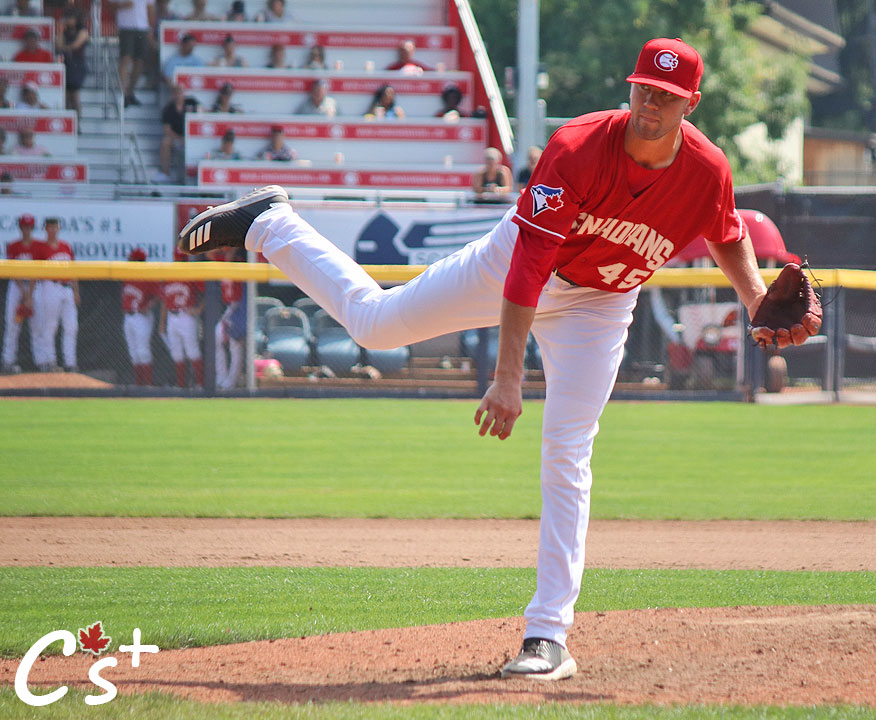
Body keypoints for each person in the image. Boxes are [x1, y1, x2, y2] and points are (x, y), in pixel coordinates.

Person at [179, 37, 820, 681]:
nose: (651, 104)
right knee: (376, 325)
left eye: (668, 96)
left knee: (568, 451)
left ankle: (548, 636)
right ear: (631, 88)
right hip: (514, 263)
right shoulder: (578, 148)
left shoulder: (707, 168)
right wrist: (507, 377)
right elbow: (528, 270)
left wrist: (755, 301)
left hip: (602, 304)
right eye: (644, 90)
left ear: (691, 104)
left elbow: (724, 231)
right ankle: (271, 223)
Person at [34, 217, 79, 373]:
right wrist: (31, 294)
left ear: (58, 228)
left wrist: (76, 291)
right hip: (50, 286)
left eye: (55, 227)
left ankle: (70, 363)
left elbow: (73, 270)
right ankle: (50, 361)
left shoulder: (66, 246)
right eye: (50, 227)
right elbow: (33, 272)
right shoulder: (40, 247)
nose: (53, 230)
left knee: (71, 326)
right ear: (45, 229)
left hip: (67, 288)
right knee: (50, 325)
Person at [1, 214, 40, 374]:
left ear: (33, 228)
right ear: (20, 228)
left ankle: (42, 362)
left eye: (29, 227)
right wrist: (24, 293)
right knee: (12, 324)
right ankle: (8, 362)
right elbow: (12, 271)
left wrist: (29, 294)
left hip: (34, 286)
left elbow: (37, 271)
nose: (27, 230)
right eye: (24, 226)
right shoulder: (14, 246)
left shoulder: (38, 246)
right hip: (17, 286)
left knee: (38, 326)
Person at [159, 248, 203, 388]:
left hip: (186, 316)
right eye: (178, 259)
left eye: (181, 259)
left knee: (192, 352)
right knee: (176, 354)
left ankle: (200, 385)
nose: (179, 262)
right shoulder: (169, 275)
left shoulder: (191, 274)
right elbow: (165, 301)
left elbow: (208, 292)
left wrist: (199, 309)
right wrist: (162, 322)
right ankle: (181, 386)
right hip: (172, 317)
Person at [121, 247, 158, 385]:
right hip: (129, 316)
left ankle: (148, 385)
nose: (129, 261)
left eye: (132, 259)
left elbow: (158, 295)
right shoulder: (128, 275)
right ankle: (139, 384)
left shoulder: (147, 276)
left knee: (143, 351)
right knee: (133, 352)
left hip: (141, 317)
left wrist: (148, 306)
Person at [112, 0, 156, 108]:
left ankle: (130, 91)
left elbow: (150, 8)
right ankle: (122, 93)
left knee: (139, 61)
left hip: (143, 27)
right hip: (126, 26)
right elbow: (110, 6)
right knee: (125, 58)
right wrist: (122, 5)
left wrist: (151, 29)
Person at [213, 248, 245, 390]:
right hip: (228, 309)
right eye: (224, 250)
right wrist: (223, 247)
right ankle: (221, 379)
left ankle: (231, 382)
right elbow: (209, 254)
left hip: (240, 308)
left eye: (229, 250)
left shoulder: (240, 263)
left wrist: (234, 248)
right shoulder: (222, 261)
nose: (227, 252)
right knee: (218, 338)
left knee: (235, 345)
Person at [156, 84, 198, 182]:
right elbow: (167, 130)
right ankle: (165, 173)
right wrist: (180, 138)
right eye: (176, 93)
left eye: (180, 92)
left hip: (193, 137)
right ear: (173, 94)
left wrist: (189, 137)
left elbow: (202, 114)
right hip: (177, 138)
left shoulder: (191, 103)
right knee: (165, 142)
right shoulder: (168, 109)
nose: (178, 95)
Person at [56, 8, 89, 118]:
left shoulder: (83, 31)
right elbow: (58, 44)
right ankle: (67, 119)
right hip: (66, 63)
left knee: (74, 94)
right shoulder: (64, 32)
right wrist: (60, 29)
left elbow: (76, 45)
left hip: (77, 65)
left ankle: (77, 120)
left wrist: (65, 48)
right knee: (66, 95)